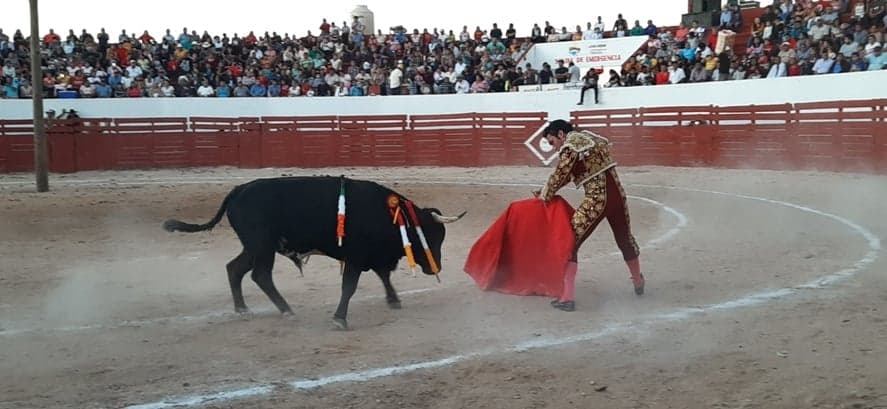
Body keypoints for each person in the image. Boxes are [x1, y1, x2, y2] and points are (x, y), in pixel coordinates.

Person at [532, 119, 644, 311]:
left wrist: (545, 194)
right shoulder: (591, 137)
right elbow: (574, 171)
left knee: (569, 241)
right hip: (618, 195)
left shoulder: (571, 145)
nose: (553, 148)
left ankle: (567, 298)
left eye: (552, 142)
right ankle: (638, 281)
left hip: (597, 200)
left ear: (560, 134)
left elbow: (561, 174)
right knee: (624, 239)